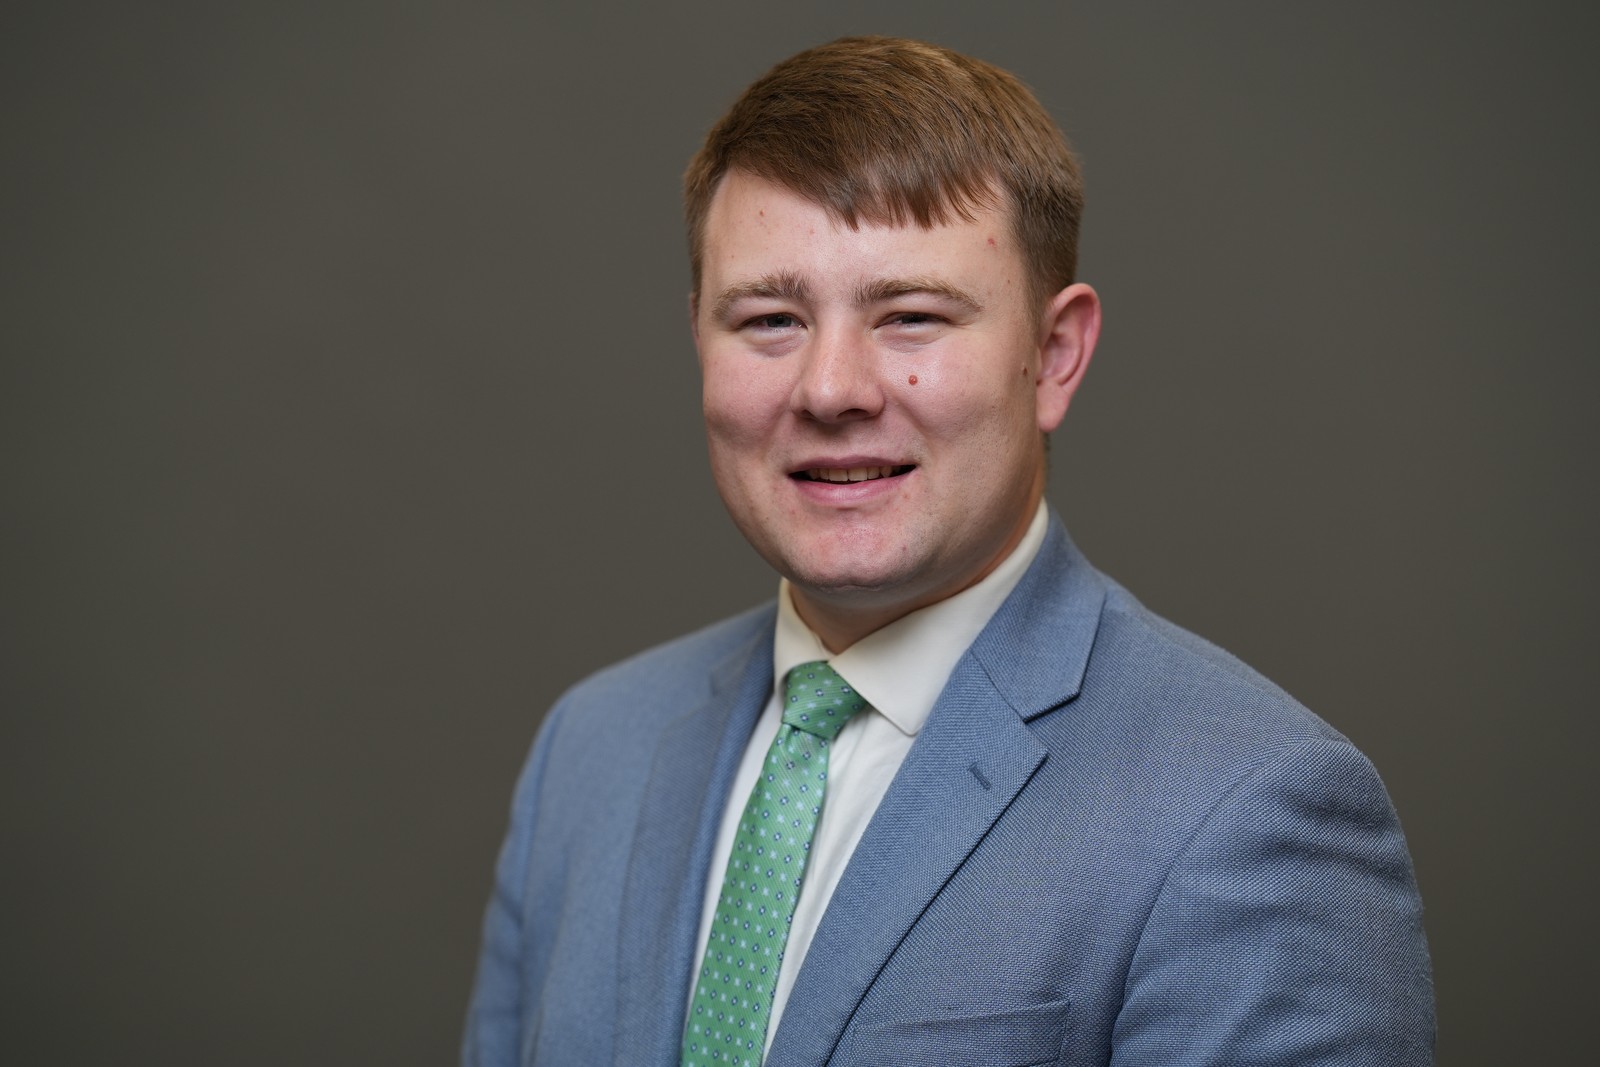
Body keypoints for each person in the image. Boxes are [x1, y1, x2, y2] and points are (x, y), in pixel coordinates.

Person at [463, 36, 1433, 1066]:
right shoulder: (590, 750)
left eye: (911, 315)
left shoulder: (1245, 808)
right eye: (771, 318)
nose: (831, 387)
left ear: (1052, 356)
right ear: (697, 338)